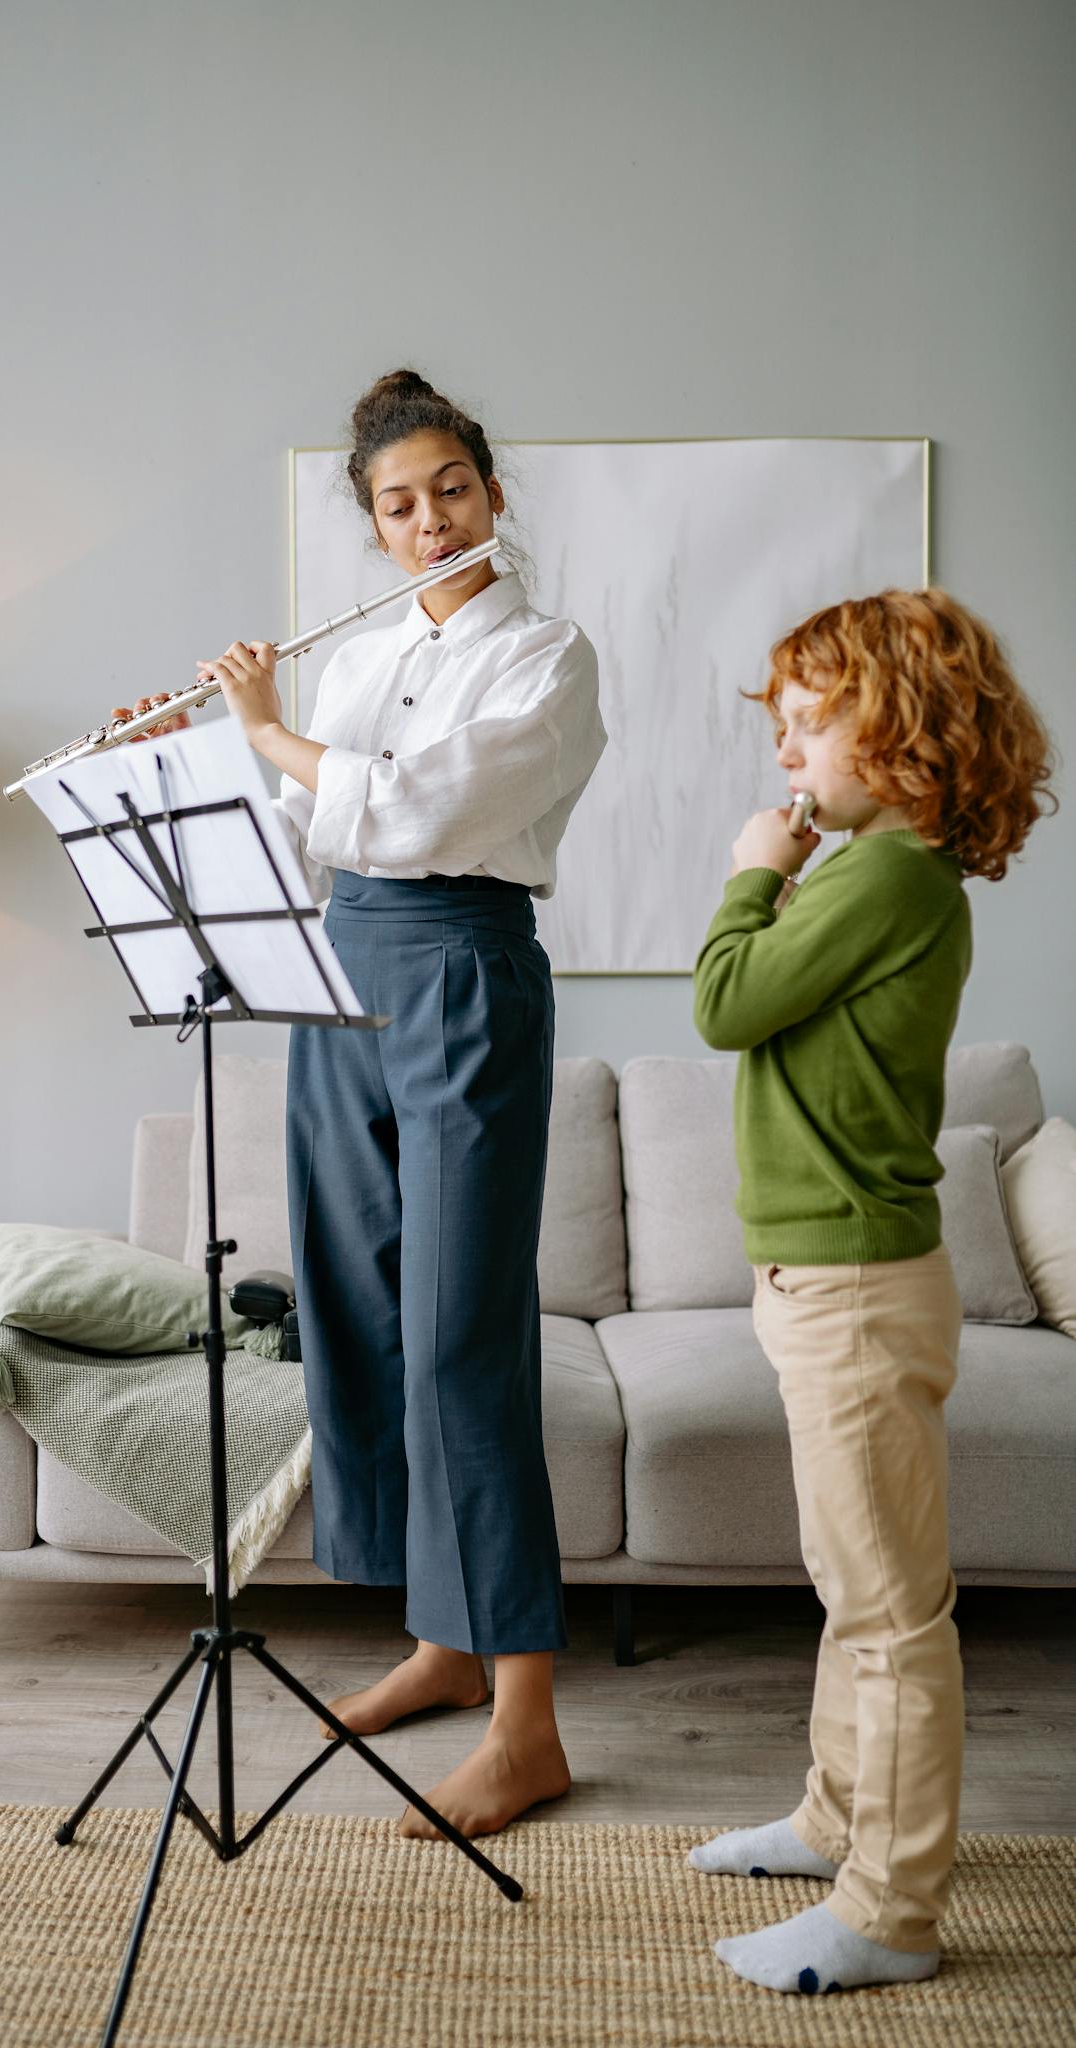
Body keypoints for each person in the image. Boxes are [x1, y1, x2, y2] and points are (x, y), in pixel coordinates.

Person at [117, 368, 607, 1839]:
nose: (426, 517)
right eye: (397, 502)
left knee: (460, 1337)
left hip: (460, 967)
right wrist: (183, 760)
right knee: (356, 1308)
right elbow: (299, 829)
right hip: (342, 973)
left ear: (493, 494)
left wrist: (267, 732)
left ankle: (527, 1726)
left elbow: (417, 806)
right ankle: (443, 1650)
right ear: (372, 521)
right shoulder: (360, 659)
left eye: (450, 487)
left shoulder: (549, 654)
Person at [689, 588, 1056, 1993]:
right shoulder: (876, 874)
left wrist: (745, 873)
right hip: (828, 1277)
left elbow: (725, 1003)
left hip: (849, 1284)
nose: (786, 758)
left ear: (893, 729)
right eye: (779, 732)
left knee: (891, 1614)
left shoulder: (883, 877)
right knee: (852, 1588)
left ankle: (888, 1912)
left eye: (806, 726)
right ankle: (833, 1820)